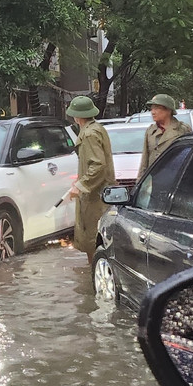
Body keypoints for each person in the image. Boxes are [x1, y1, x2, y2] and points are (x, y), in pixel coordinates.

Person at [64, 96, 116, 266]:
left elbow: (97, 165)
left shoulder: (89, 134)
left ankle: (96, 276)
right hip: (100, 194)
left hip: (95, 197)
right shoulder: (97, 129)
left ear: (77, 117)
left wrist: (81, 185)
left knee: (93, 240)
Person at [136, 93, 191, 179]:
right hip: (154, 180)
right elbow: (144, 162)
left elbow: (190, 158)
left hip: (175, 179)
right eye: (152, 109)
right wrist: (140, 182)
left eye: (156, 108)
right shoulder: (150, 131)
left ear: (168, 110)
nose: (153, 112)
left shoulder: (182, 130)